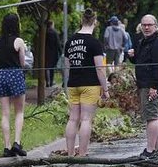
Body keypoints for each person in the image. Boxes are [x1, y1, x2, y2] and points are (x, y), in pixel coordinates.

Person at [63, 9, 108, 157]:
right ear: (94, 22)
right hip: (90, 85)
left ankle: (70, 154)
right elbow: (100, 68)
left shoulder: (69, 42)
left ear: (81, 21)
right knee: (86, 119)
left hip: (73, 84)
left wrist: (70, 82)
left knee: (73, 119)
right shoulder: (95, 43)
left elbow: (67, 66)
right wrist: (105, 89)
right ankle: (82, 154)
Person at [128, 14, 158, 158]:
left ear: (155, 26)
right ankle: (157, 150)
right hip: (144, 83)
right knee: (152, 116)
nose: (146, 27)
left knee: (152, 117)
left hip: (151, 85)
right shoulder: (144, 41)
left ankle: (150, 150)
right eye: (144, 25)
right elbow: (140, 61)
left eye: (149, 25)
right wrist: (132, 56)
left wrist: (154, 86)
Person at [0, 13, 28, 157]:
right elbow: (22, 63)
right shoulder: (19, 41)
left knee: (4, 113)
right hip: (15, 74)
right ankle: (17, 142)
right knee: (19, 112)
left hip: (1, 75)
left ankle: (7, 147)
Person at [42, 19, 61, 88]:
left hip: (45, 53)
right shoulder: (54, 32)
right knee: (51, 68)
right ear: (52, 24)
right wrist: (60, 52)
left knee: (46, 67)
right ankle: (51, 82)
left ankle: (47, 81)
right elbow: (58, 43)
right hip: (53, 53)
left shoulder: (44, 32)